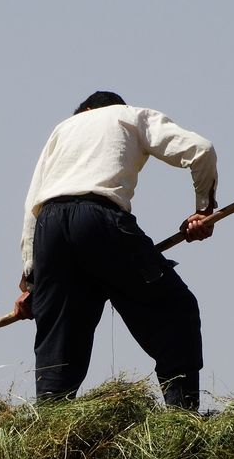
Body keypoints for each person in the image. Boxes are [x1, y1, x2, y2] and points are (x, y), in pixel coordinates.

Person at [14, 91, 217, 410]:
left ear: (87, 109)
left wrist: (33, 282)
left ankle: (49, 432)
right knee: (176, 312)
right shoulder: (131, 115)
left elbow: (32, 206)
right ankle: (182, 417)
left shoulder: (62, 129)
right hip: (99, 220)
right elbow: (201, 150)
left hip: (49, 229)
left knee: (60, 341)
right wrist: (204, 210)